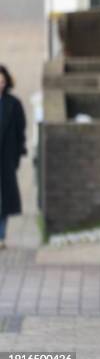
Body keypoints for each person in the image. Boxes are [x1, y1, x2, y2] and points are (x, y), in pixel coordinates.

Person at [0, 65, 27, 249]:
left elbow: (20, 132)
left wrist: (16, 156)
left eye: (2, 81)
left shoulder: (13, 104)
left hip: (6, 158)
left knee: (5, 200)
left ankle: (1, 235)